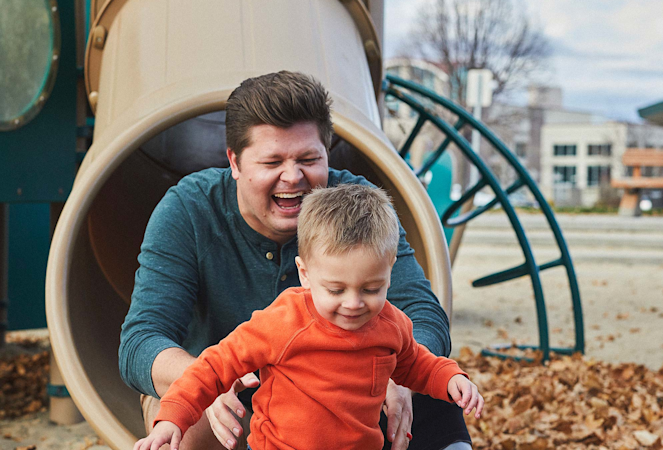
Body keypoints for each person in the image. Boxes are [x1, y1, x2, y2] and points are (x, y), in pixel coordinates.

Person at [119, 70, 473, 450]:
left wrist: (397, 376)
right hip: (228, 389)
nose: (293, 177)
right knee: (188, 416)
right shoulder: (189, 210)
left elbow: (422, 309)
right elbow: (140, 339)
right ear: (235, 162)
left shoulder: (356, 205)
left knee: (428, 376)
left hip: (337, 390)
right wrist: (202, 377)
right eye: (272, 162)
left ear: (328, 153)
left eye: (308, 158)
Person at [133, 184, 484, 450]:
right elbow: (213, 367)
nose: (353, 303)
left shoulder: (392, 325)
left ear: (390, 271)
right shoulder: (283, 322)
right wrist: (173, 419)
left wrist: (451, 378)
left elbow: (417, 364)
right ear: (305, 274)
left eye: (372, 288)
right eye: (335, 290)